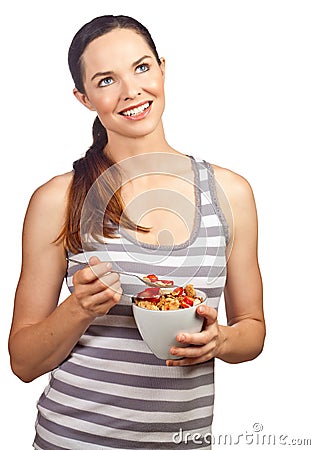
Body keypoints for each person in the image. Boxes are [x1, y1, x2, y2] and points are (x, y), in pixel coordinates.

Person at [8, 14, 265, 450]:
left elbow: (253, 330)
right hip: (74, 441)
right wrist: (78, 308)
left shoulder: (229, 193)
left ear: (162, 68)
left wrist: (219, 340)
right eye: (106, 80)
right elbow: (23, 362)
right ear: (83, 97)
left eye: (142, 68)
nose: (131, 91)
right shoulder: (58, 200)